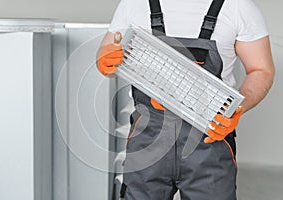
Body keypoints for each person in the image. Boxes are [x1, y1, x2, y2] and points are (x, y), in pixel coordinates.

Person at [97, 0, 274, 199]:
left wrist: (236, 108)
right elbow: (109, 50)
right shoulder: (135, 3)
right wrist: (105, 60)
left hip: (209, 139)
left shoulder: (237, 7)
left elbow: (261, 70)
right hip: (148, 138)